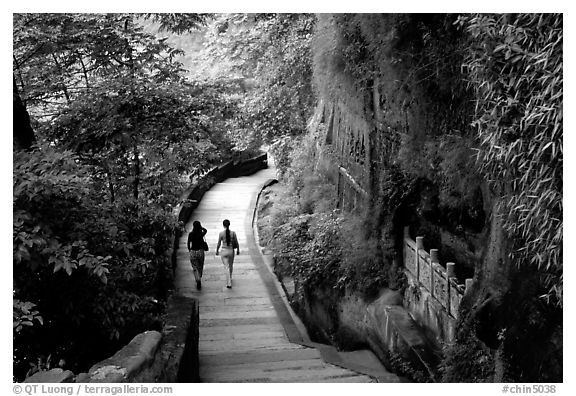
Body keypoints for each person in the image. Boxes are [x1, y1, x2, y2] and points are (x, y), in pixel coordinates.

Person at [215, 219, 239, 289]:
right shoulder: (233, 233)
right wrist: (238, 249)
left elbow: (219, 243)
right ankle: (230, 278)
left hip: (224, 251)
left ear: (223, 225)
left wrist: (217, 250)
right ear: (229, 225)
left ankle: (229, 282)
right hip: (231, 251)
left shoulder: (221, 233)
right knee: (231, 265)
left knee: (226, 267)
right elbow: (236, 242)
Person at [187, 220, 207, 290]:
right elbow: (205, 230)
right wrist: (201, 227)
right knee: (200, 266)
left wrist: (189, 250)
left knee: (195, 267)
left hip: (193, 251)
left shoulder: (191, 234)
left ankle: (197, 279)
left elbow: (188, 243)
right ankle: (199, 276)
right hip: (200, 251)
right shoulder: (201, 234)